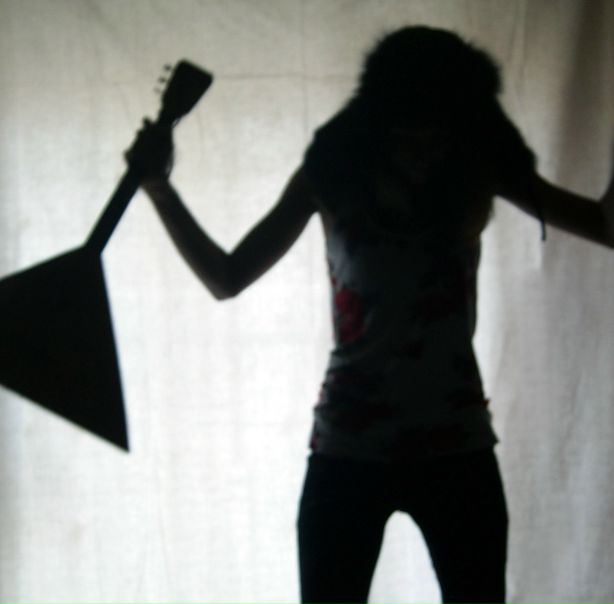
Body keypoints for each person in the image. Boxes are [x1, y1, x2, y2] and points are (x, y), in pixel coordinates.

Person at [126, 26, 614, 604]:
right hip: (349, 447)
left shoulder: (476, 172)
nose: (422, 142)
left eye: (438, 126)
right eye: (407, 124)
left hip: (455, 447)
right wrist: (158, 189)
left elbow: (604, 226)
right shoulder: (331, 179)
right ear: (380, 117)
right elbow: (226, 277)